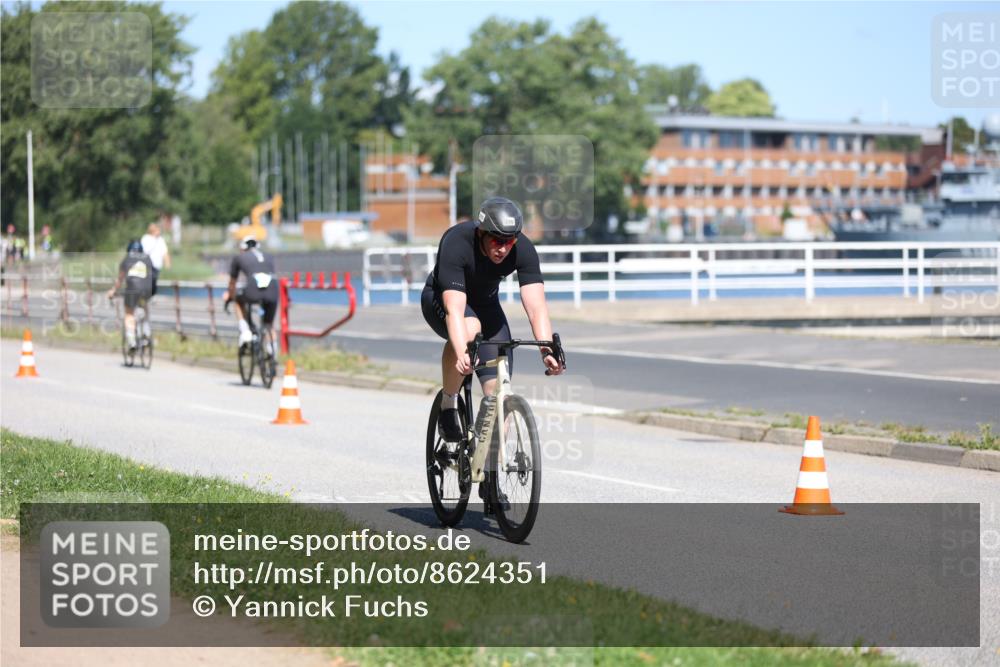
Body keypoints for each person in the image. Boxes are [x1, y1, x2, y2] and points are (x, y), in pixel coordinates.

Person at [421, 196, 563, 444]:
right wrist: (461, 351)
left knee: (499, 394)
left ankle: (489, 474)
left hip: (487, 306)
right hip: (442, 300)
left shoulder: (523, 249)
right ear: (481, 233)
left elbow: (536, 307)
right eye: (497, 240)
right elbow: (455, 309)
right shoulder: (457, 241)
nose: (503, 248)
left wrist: (546, 348)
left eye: (509, 241)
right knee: (470, 327)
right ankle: (448, 403)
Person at [222, 236, 278, 350]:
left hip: (253, 289)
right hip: (273, 290)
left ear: (243, 248)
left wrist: (229, 295)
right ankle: (273, 353)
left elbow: (232, 283)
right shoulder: (268, 256)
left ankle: (245, 331)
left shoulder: (239, 257)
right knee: (269, 324)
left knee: (238, 300)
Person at [107, 240, 154, 350]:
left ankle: (132, 341)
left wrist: (113, 291)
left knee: (129, 314)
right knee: (145, 309)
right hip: (146, 290)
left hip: (132, 289)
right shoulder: (147, 258)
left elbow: (120, 279)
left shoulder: (127, 259)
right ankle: (146, 333)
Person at [141, 223, 171, 296]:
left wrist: (167, 262)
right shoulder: (146, 238)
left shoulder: (160, 240)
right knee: (147, 281)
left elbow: (165, 252)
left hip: (157, 265)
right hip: (147, 264)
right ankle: (144, 297)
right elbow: (145, 250)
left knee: (154, 282)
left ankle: (150, 296)